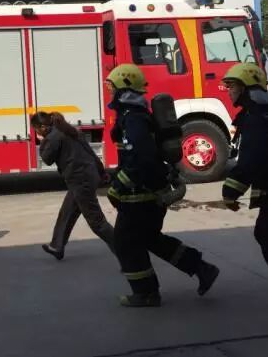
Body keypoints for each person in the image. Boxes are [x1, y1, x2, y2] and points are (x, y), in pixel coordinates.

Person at [106, 63, 219, 307]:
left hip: (140, 196)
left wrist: (119, 185)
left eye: (111, 87)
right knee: (150, 239)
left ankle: (146, 293)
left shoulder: (133, 119)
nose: (109, 91)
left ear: (123, 88)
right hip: (151, 193)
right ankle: (201, 268)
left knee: (126, 244)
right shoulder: (137, 115)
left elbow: (142, 159)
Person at [31, 111, 114, 260]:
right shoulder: (70, 130)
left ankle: (127, 251)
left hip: (80, 181)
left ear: (42, 127)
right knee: (67, 211)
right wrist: (101, 172)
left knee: (97, 223)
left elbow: (47, 159)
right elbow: (90, 152)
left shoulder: (53, 137)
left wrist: (42, 141)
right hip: (87, 176)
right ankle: (57, 246)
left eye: (36, 129)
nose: (36, 132)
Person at [221, 62, 268, 263]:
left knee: (265, 234)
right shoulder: (258, 112)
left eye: (232, 86)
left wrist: (230, 192)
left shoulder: (256, 118)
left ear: (245, 87)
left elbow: (251, 160)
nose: (228, 91)